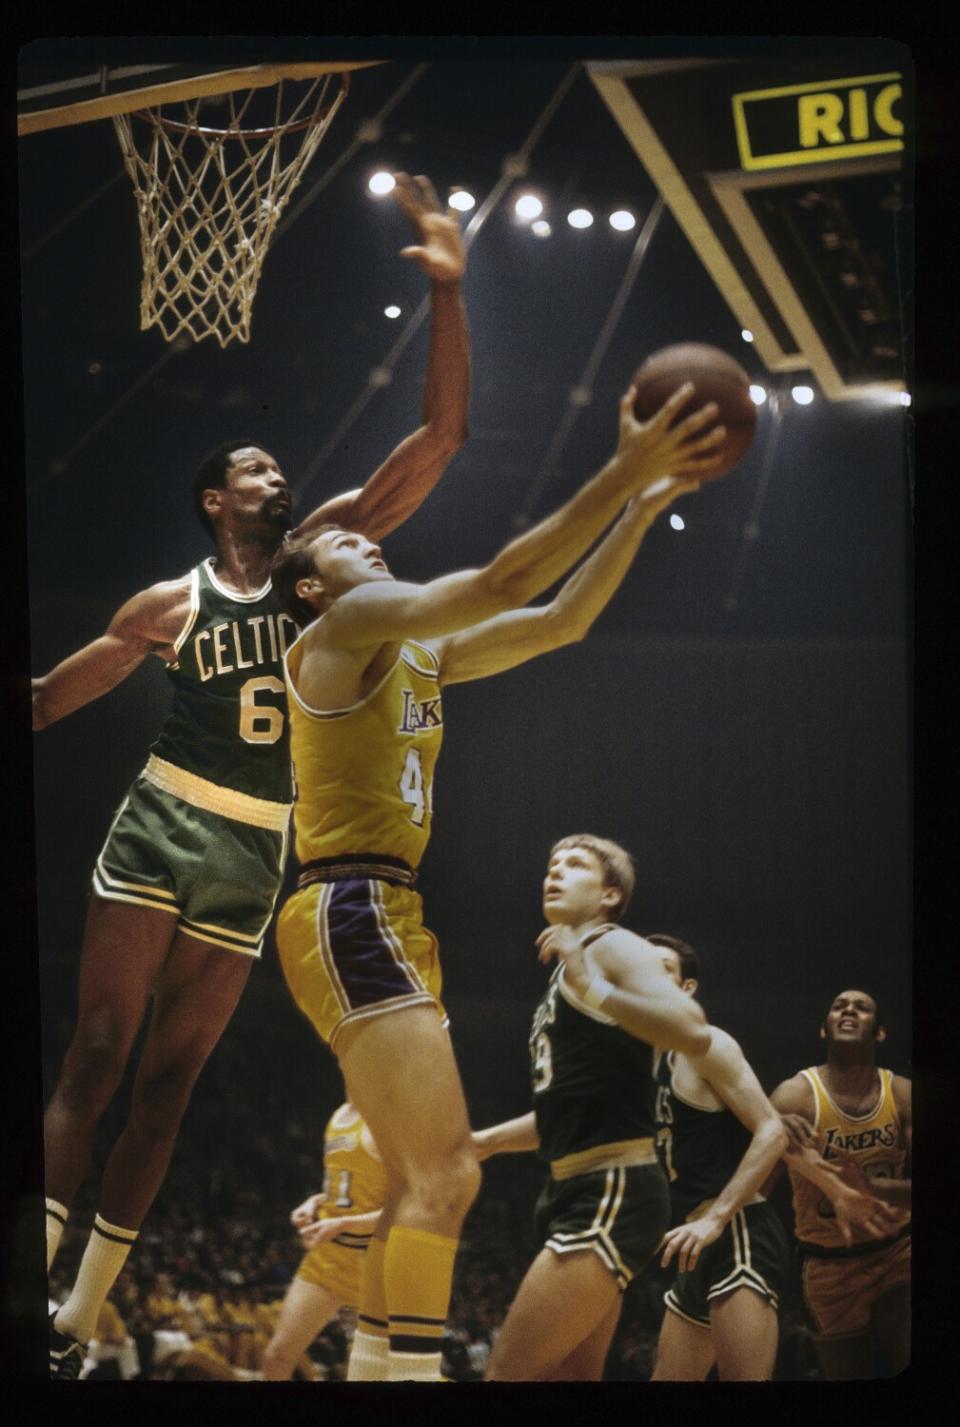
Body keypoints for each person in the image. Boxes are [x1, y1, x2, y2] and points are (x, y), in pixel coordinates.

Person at [36, 172, 471, 1380]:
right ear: (218, 498)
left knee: (169, 1085)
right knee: (96, 1055)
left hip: (262, 839)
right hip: (164, 815)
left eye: (288, 469)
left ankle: (81, 1315)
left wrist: (448, 292)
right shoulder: (168, 603)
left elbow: (438, 442)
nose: (284, 477)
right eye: (260, 469)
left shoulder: (322, 554)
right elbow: (41, 701)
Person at [269, 384, 729, 1381]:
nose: (366, 541)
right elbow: (504, 574)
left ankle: (379, 1371)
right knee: (447, 1173)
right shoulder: (342, 632)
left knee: (420, 1180)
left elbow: (559, 618)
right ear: (310, 586)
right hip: (351, 901)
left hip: (380, 908)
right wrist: (626, 469)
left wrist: (640, 511)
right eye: (343, 543)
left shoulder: (412, 648)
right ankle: (414, 1379)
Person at [472, 836, 722, 1380]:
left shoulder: (611, 946)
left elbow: (692, 1029)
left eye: (575, 865)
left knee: (504, 1378)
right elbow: (569, 1106)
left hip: (612, 1187)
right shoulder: (570, 968)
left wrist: (595, 987)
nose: (554, 872)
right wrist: (485, 1142)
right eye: (550, 864)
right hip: (573, 1186)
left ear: (610, 894)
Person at [645, 934, 790, 1381]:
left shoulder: (704, 1044)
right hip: (693, 1241)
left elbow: (773, 1131)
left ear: (686, 989)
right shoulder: (634, 1060)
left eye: (662, 969)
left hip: (736, 1231)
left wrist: (717, 1218)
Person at [764, 988, 911, 1379]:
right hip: (828, 1266)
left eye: (861, 1008)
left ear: (878, 1033)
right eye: (838, 1006)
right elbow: (759, 1187)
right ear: (823, 1030)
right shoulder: (795, 1096)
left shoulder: (902, 1093)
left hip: (897, 1253)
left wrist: (870, 1189)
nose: (848, 1010)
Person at [262, 1101, 387, 1380]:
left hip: (374, 1264)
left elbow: (405, 1208)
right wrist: (314, 1203)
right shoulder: (340, 1115)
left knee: (371, 1373)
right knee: (277, 1357)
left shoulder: (390, 1118)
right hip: (326, 1256)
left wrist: (343, 1223)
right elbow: (341, 1189)